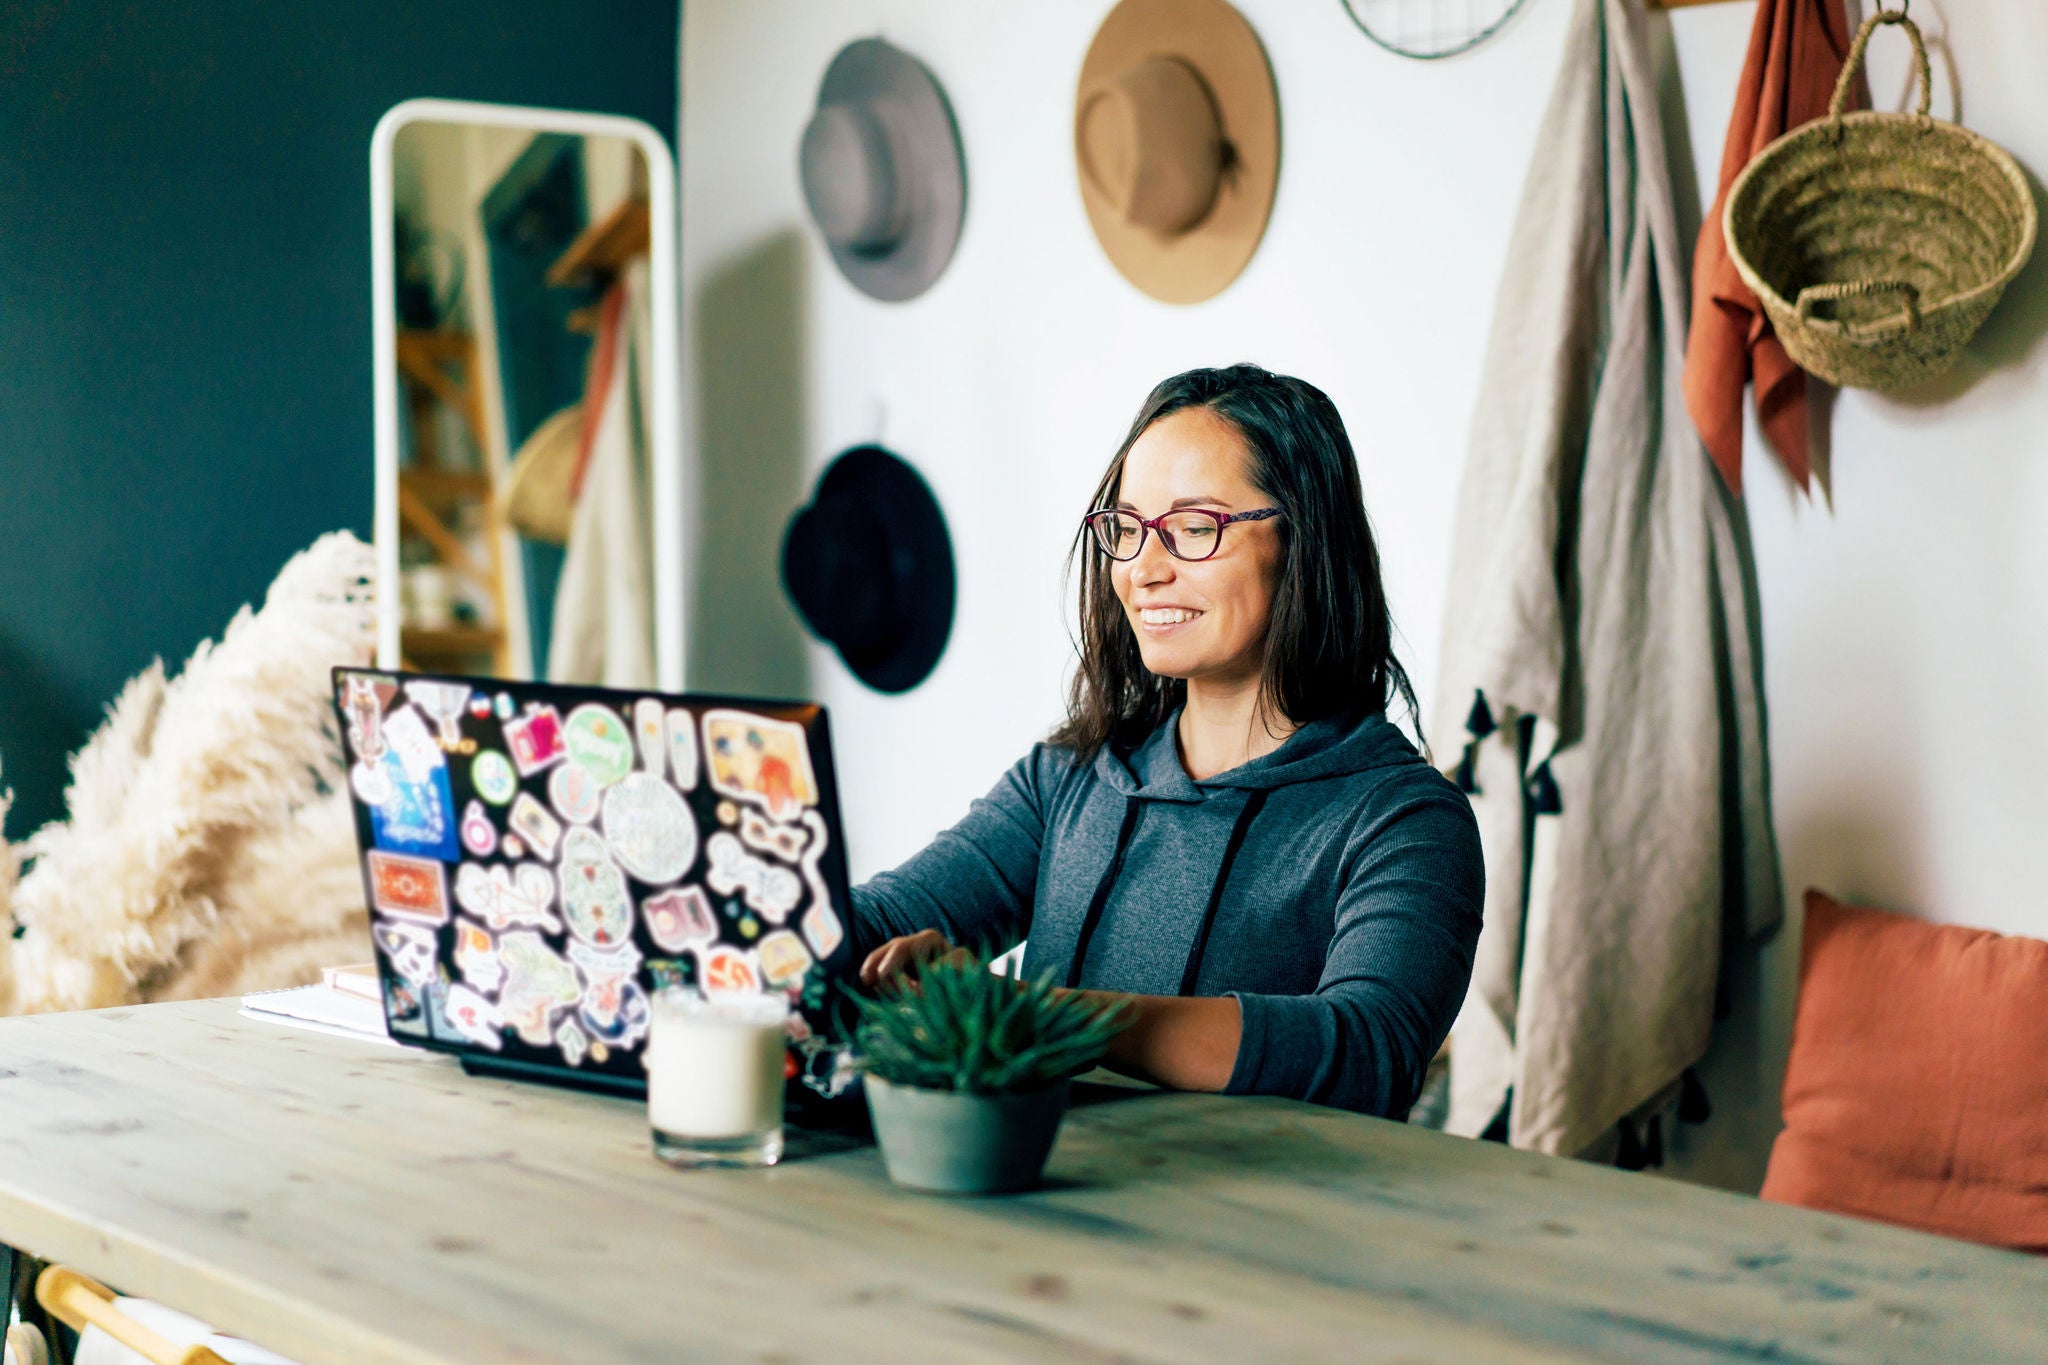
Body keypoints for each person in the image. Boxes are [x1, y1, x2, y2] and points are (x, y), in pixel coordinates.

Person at [852, 365, 1483, 1117]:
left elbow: (1364, 1049)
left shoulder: (1404, 819)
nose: (1143, 569)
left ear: (1304, 539)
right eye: (1126, 528)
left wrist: (1038, 1015)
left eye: (1193, 528)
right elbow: (877, 924)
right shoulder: (1068, 779)